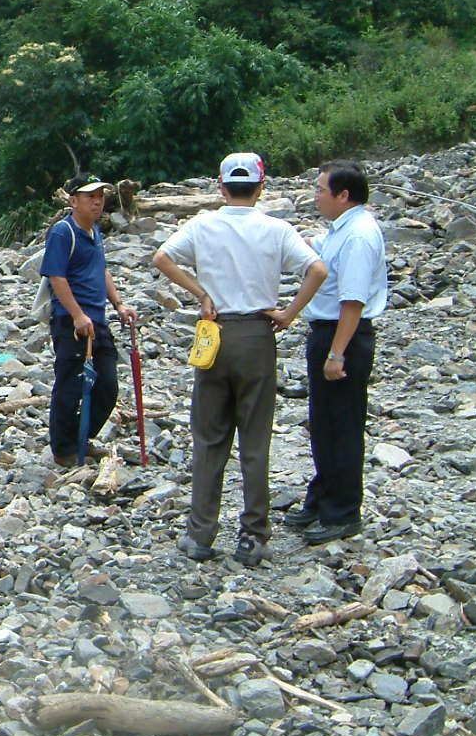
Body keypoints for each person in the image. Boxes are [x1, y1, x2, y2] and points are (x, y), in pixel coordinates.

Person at [152, 152, 328, 566]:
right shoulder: (276, 228)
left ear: (222, 186)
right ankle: (252, 536)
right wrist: (289, 313)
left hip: (215, 333)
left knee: (209, 437)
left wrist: (201, 293)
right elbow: (317, 270)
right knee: (254, 439)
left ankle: (200, 534)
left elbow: (162, 258)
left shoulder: (203, 223)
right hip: (257, 335)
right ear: (261, 187)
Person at [285, 160, 387, 544]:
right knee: (323, 423)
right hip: (326, 331)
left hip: (343, 335)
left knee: (343, 424)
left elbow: (353, 301)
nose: (316, 197)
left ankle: (344, 511)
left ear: (344, 195)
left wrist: (336, 354)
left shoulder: (360, 235)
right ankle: (323, 496)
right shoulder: (340, 229)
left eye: (321, 191)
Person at [41, 173, 138, 467]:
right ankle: (63, 450)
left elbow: (102, 270)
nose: (97, 201)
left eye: (100, 196)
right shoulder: (63, 232)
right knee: (70, 385)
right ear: (73, 201)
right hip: (71, 322)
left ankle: (81, 439)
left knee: (107, 385)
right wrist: (77, 315)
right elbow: (56, 276)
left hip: (97, 320)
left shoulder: (96, 233)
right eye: (90, 197)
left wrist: (119, 304)